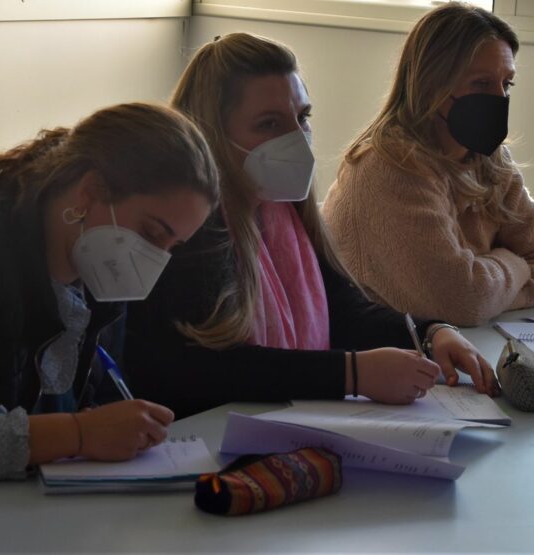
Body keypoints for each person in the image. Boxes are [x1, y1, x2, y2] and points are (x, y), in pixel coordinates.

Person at [0, 103, 219, 528]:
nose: (155, 259)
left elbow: (93, 399)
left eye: (172, 246)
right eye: (152, 233)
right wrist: (78, 433)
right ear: (90, 191)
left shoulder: (97, 276)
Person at [123, 32, 498, 418]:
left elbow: (344, 310)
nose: (295, 139)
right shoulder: (189, 230)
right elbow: (197, 372)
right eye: (269, 124)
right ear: (214, 134)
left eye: (302, 118)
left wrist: (430, 332)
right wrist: (351, 374)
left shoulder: (282, 209)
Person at [322, 2, 534, 326]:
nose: (499, 98)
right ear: (431, 83)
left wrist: (488, 290)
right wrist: (516, 263)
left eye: (506, 84)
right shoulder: (389, 168)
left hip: (453, 348)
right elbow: (463, 301)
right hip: (382, 358)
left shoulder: (492, 162)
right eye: (481, 84)